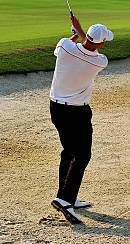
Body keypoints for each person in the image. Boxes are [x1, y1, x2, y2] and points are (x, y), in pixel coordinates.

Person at [49, 16, 114, 224]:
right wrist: (82, 31)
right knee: (83, 155)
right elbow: (90, 49)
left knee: (68, 151)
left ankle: (66, 196)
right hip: (78, 113)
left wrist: (76, 33)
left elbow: (65, 50)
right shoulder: (100, 61)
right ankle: (65, 199)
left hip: (56, 108)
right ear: (102, 43)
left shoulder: (66, 45)